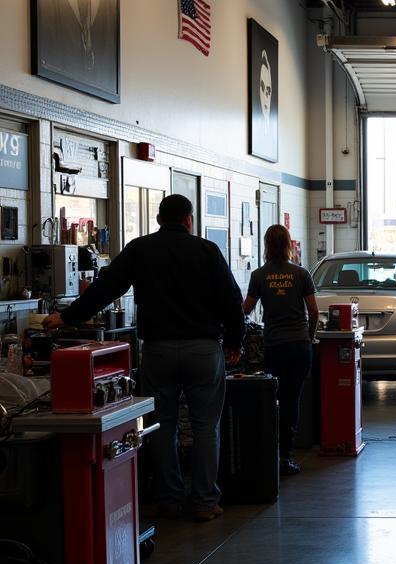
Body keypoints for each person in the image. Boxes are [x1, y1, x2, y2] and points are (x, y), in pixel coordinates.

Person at [43, 195, 244, 522]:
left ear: (159, 219)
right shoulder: (207, 251)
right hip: (203, 350)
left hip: (158, 351)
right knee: (206, 426)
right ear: (189, 220)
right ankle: (206, 501)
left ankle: (168, 499)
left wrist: (68, 317)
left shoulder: (140, 249)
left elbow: (105, 289)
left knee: (162, 426)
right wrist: (235, 341)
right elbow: (232, 300)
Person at [242, 224, 318, 476]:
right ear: (287, 244)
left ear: (266, 244)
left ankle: (269, 453)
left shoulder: (258, 275)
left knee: (272, 399)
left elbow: (246, 310)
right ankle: (287, 456)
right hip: (299, 346)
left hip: (274, 345)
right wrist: (310, 335)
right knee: (291, 399)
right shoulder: (301, 273)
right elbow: (314, 310)